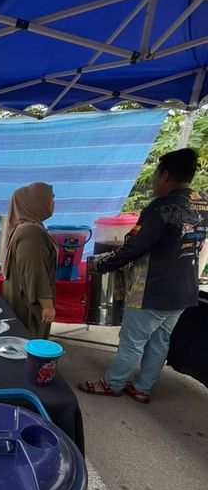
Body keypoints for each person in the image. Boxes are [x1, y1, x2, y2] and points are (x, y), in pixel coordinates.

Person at [79, 148, 208, 403]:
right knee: (161, 339)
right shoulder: (202, 201)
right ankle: (142, 387)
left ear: (165, 174)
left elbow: (136, 246)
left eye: (155, 176)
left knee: (132, 340)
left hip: (153, 289)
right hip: (184, 289)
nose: (153, 182)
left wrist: (102, 265)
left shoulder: (161, 207)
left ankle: (112, 383)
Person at [2, 182, 57, 338]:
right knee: (29, 340)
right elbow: (34, 271)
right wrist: (47, 305)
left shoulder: (25, 228)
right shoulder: (31, 233)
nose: (53, 203)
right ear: (36, 201)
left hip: (23, 296)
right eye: (50, 199)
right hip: (29, 303)